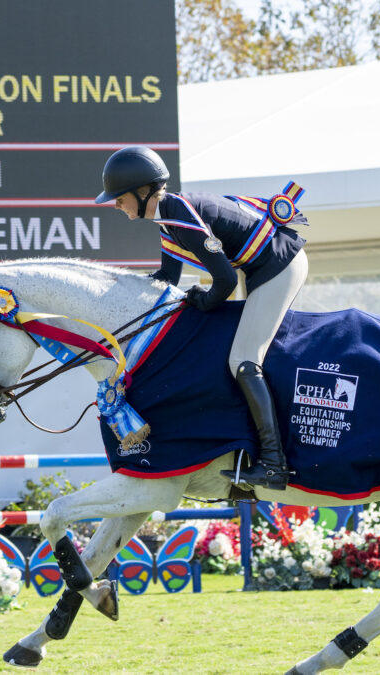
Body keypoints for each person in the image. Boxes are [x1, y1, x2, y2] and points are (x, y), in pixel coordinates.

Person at [94, 146, 309, 490]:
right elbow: (166, 278)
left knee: (243, 359)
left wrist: (203, 301)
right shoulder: (167, 218)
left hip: (279, 266)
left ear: (143, 191)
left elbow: (221, 282)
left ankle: (273, 464)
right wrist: (116, 295)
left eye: (119, 198)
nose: (116, 205)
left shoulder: (179, 215)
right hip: (258, 270)